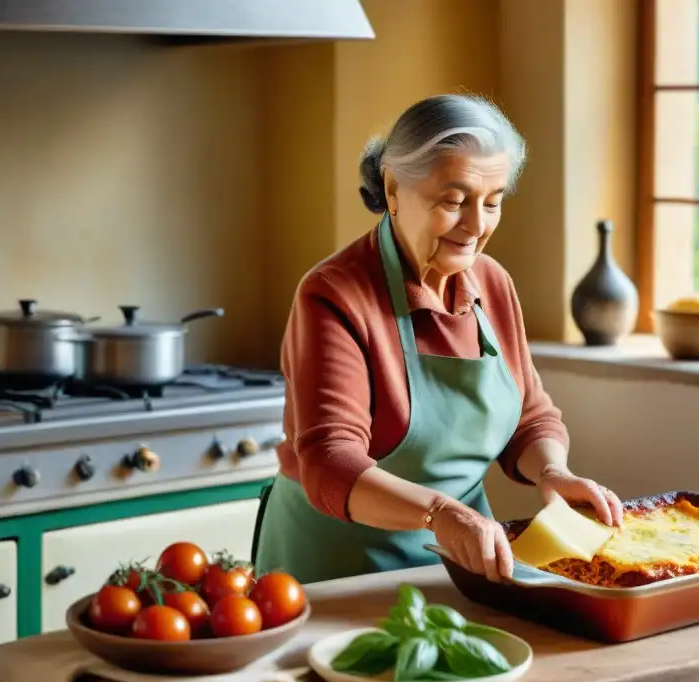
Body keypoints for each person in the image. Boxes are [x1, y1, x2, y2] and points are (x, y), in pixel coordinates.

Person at [252, 93, 623, 586]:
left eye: (492, 203)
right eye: (453, 202)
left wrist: (552, 472)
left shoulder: (492, 284)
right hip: (337, 574)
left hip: (457, 562)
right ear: (393, 189)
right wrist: (441, 514)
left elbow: (529, 417)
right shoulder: (334, 295)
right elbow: (330, 464)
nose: (476, 226)